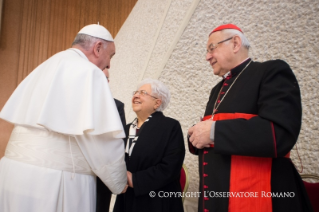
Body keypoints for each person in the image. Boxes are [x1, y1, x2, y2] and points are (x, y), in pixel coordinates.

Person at [0, 24, 128, 212]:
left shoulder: (47, 65)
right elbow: (100, 141)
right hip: (55, 182)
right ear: (98, 47)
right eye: (111, 56)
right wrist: (119, 180)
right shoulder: (89, 72)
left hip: (13, 175)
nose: (109, 64)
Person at [188, 24, 313, 212]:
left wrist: (213, 132)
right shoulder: (217, 89)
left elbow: (280, 133)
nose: (207, 57)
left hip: (261, 196)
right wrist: (196, 136)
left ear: (235, 43)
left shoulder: (271, 71)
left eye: (211, 48)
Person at [113, 79, 185, 212]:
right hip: (125, 199)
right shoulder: (125, 129)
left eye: (143, 93)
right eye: (135, 92)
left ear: (157, 103)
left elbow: (171, 167)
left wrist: (133, 179)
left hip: (156, 201)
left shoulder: (170, 126)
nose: (136, 96)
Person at [96, 68, 126, 212]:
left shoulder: (117, 106)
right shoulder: (75, 102)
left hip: (103, 176)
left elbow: (119, 142)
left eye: (105, 79)